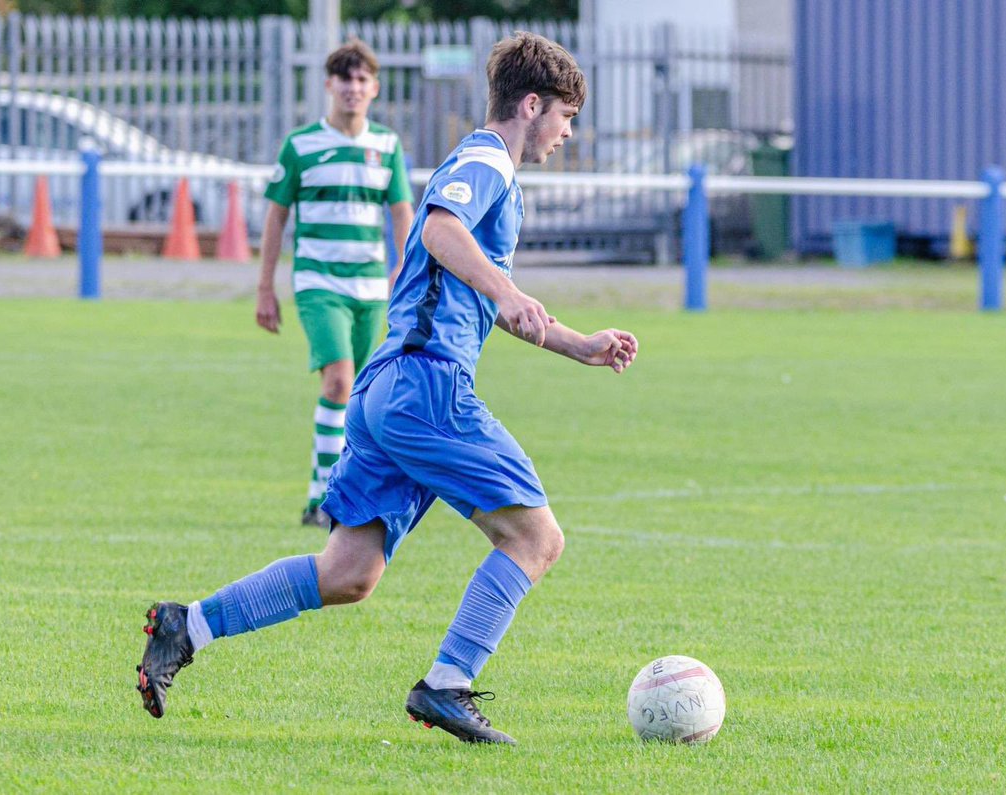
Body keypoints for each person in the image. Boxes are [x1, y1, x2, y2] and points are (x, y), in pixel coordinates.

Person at [137, 32, 638, 746]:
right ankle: (447, 682)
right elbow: (437, 231)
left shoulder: (491, 171)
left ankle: (190, 625)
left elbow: (483, 291)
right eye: (566, 115)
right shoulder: (487, 158)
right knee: (536, 536)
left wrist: (576, 344)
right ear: (533, 104)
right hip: (426, 385)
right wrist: (503, 285)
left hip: (389, 387)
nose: (567, 132)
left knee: (349, 571)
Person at [255, 38, 415, 527]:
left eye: (362, 79)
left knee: (361, 396)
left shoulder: (385, 146)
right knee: (340, 379)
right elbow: (276, 217)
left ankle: (326, 491)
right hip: (319, 282)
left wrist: (401, 268)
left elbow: (402, 211)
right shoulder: (301, 145)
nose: (354, 87)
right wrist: (266, 287)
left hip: (371, 287)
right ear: (329, 85)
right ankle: (326, 498)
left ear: (375, 87)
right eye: (345, 78)